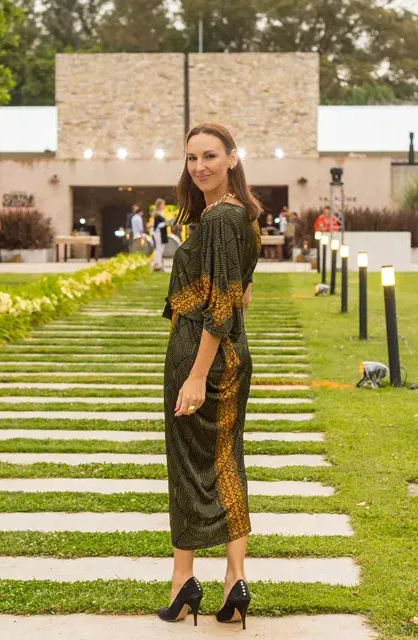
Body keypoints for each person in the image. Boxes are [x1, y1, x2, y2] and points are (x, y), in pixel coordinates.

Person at [159, 123, 260, 629]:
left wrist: (196, 375)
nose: (199, 166)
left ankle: (183, 581)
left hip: (200, 355)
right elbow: (242, 295)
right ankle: (235, 580)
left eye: (210, 156)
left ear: (232, 159)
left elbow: (220, 307)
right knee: (226, 460)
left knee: (187, 467)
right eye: (192, 157)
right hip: (232, 353)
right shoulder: (242, 214)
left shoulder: (219, 219)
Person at [151, 199, 168, 272]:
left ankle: (158, 264)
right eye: (163, 204)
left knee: (161, 249)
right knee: (158, 249)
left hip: (162, 232)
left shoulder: (161, 213)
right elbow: (157, 225)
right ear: (159, 205)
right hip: (158, 233)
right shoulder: (157, 214)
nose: (164, 205)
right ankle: (157, 264)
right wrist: (166, 223)